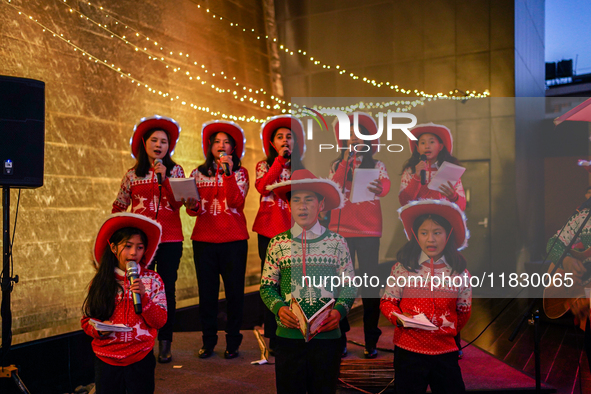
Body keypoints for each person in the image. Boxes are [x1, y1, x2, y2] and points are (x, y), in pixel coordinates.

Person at [261, 168, 357, 394]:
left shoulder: (337, 242)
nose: (302, 206)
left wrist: (340, 312)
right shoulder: (277, 244)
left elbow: (350, 285)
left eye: (309, 200)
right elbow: (266, 286)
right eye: (296, 200)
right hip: (288, 335)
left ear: (321, 205)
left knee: (324, 388)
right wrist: (279, 307)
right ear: (289, 206)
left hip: (327, 335)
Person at [111, 115, 185, 363]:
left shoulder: (176, 171)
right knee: (137, 288)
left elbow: (178, 205)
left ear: (168, 147)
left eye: (164, 141)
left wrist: (165, 179)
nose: (159, 145)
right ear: (145, 144)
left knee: (167, 290)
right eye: (154, 140)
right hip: (141, 245)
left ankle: (165, 342)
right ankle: (140, 336)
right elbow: (119, 205)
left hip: (171, 240)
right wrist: (119, 237)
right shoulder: (132, 174)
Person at [380, 200, 471, 393]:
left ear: (448, 235)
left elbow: (463, 311)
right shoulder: (402, 269)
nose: (431, 239)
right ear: (415, 235)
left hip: (445, 352)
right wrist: (400, 320)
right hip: (408, 352)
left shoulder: (459, 273)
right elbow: (388, 302)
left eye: (437, 232)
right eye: (424, 233)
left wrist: (446, 331)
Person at [81, 213, 167, 394]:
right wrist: (98, 330)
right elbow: (86, 320)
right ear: (113, 248)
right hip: (106, 359)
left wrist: (143, 298)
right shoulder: (101, 281)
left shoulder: (153, 280)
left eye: (140, 247)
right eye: (127, 246)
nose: (134, 253)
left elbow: (160, 321)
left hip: (140, 356)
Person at [328, 112, 391, 359]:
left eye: (358, 134)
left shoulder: (377, 165)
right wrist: (345, 160)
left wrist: (379, 187)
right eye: (349, 134)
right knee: (341, 286)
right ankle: (340, 337)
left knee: (369, 286)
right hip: (341, 230)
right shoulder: (337, 164)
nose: (353, 138)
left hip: (368, 230)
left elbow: (384, 187)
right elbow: (333, 188)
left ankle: (370, 340)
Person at [186, 120, 249, 359]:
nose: (221, 146)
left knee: (234, 294)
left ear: (233, 149)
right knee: (207, 294)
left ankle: (233, 342)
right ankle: (208, 341)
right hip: (204, 241)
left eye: (226, 143)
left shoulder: (240, 173)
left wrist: (228, 173)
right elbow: (194, 210)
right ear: (209, 146)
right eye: (217, 142)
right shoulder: (196, 174)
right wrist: (190, 205)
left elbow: (235, 201)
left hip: (234, 241)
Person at [253, 115, 305, 354]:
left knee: (294, 282)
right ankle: (273, 336)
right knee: (270, 284)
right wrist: (280, 162)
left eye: (289, 137)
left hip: (293, 232)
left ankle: (297, 328)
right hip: (268, 231)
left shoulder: (302, 168)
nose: (285, 141)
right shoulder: (264, 166)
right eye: (280, 137)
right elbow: (263, 187)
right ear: (272, 143)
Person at [399, 123, 466, 211]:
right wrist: (416, 178)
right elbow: (404, 202)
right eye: (422, 143)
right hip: (419, 221)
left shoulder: (450, 171)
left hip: (443, 221)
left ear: (440, 146)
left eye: (432, 142)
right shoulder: (410, 171)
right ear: (418, 148)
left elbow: (462, 206)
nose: (427, 146)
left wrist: (453, 197)